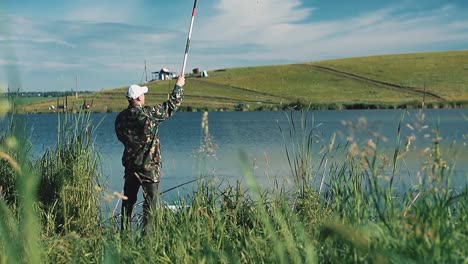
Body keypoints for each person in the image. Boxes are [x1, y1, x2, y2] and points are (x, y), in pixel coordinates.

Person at [115, 75, 185, 233]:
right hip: (149, 169)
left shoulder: (120, 118)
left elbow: (121, 137)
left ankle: (124, 236)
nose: (144, 96)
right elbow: (170, 107)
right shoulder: (147, 114)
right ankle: (148, 241)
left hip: (131, 167)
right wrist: (179, 86)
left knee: (127, 204)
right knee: (150, 206)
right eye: (143, 94)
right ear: (139, 97)